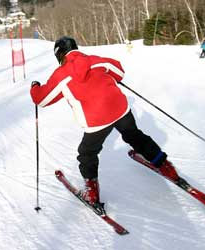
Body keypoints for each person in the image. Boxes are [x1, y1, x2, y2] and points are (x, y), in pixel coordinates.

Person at [30, 36, 179, 206]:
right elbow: (119, 73)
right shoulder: (95, 60)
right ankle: (166, 166)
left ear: (59, 55)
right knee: (135, 136)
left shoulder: (61, 74)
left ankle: (92, 193)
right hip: (120, 110)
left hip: (96, 121)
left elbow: (41, 100)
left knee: (87, 153)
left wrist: (35, 87)